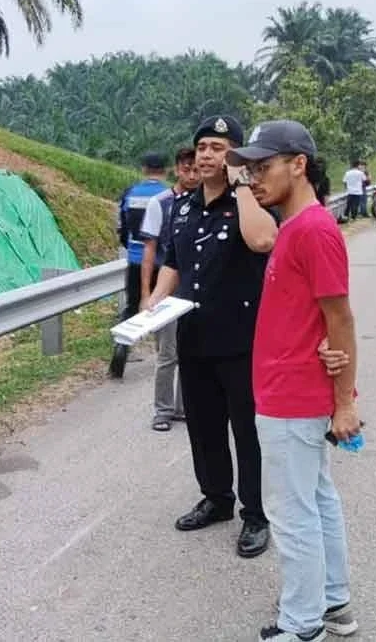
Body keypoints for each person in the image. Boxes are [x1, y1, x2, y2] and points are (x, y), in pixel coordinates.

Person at [225, 120, 360, 642]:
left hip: (293, 398)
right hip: (292, 393)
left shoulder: (313, 231)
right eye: (251, 168)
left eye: (264, 166)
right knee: (317, 500)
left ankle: (302, 625)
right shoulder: (296, 228)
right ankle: (333, 604)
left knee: (292, 513)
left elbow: (341, 318)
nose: (254, 177)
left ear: (298, 165)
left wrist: (344, 401)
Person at [145, 115, 277, 558]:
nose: (205, 154)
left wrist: (241, 184)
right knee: (203, 427)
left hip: (242, 341)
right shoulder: (182, 207)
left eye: (218, 148)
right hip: (194, 337)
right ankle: (217, 498)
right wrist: (154, 301)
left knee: (247, 430)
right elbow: (172, 262)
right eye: (201, 146)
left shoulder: (251, 203)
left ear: (235, 157)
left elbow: (262, 243)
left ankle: (255, 514)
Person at [138, 147, 201, 431]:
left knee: (193, 351)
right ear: (177, 169)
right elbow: (149, 251)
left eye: (196, 169)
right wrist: (145, 294)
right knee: (168, 352)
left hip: (197, 289)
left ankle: (183, 406)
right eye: (186, 169)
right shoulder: (161, 203)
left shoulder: (206, 201)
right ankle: (162, 410)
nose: (192, 174)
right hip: (167, 288)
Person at [110, 152, 171, 378]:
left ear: (144, 168)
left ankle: (121, 349)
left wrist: (131, 247)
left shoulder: (131, 193)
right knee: (164, 310)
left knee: (132, 306)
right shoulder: (168, 195)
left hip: (136, 258)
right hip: (164, 263)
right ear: (165, 170)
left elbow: (122, 227)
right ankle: (163, 356)